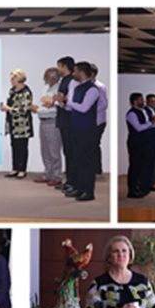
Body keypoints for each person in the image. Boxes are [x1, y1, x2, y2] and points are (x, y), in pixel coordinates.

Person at [58, 61, 101, 201]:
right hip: (75, 128)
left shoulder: (93, 89)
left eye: (75, 71)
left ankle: (88, 192)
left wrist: (67, 101)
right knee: (77, 160)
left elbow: (84, 108)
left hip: (87, 130)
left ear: (82, 73)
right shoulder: (77, 88)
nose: (73, 74)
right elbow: (71, 108)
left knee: (87, 162)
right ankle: (79, 188)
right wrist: (62, 103)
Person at [0, 69, 34, 179]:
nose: (11, 80)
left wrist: (8, 109)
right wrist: (5, 108)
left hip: (22, 125)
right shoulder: (12, 91)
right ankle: (15, 168)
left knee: (22, 147)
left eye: (13, 78)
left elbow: (23, 110)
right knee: (14, 146)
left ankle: (22, 169)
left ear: (19, 78)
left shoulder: (26, 92)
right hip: (12, 124)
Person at [34, 67, 63, 187]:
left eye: (46, 77)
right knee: (45, 150)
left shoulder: (60, 89)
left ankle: (56, 176)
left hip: (53, 122)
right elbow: (44, 104)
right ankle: (47, 174)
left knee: (54, 151)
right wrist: (38, 108)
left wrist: (40, 109)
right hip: (43, 121)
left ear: (53, 78)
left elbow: (56, 107)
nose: (44, 79)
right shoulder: (46, 88)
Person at [125, 93, 155, 198]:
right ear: (135, 101)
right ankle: (132, 191)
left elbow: (149, 125)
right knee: (135, 166)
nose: (143, 101)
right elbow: (138, 127)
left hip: (144, 142)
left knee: (143, 166)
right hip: (135, 143)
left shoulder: (142, 111)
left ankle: (141, 187)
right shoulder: (131, 114)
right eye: (140, 100)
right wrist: (152, 122)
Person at [54, 56, 76, 193]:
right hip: (64, 120)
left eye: (59, 66)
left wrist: (60, 101)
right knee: (68, 152)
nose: (58, 69)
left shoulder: (72, 81)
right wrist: (58, 100)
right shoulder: (64, 80)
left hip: (69, 121)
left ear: (64, 66)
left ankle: (73, 182)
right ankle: (69, 181)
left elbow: (68, 101)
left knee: (71, 153)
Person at [90, 64, 107, 176]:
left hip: (97, 121)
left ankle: (96, 169)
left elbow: (104, 104)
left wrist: (88, 110)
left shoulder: (99, 86)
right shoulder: (83, 86)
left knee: (94, 144)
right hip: (88, 121)